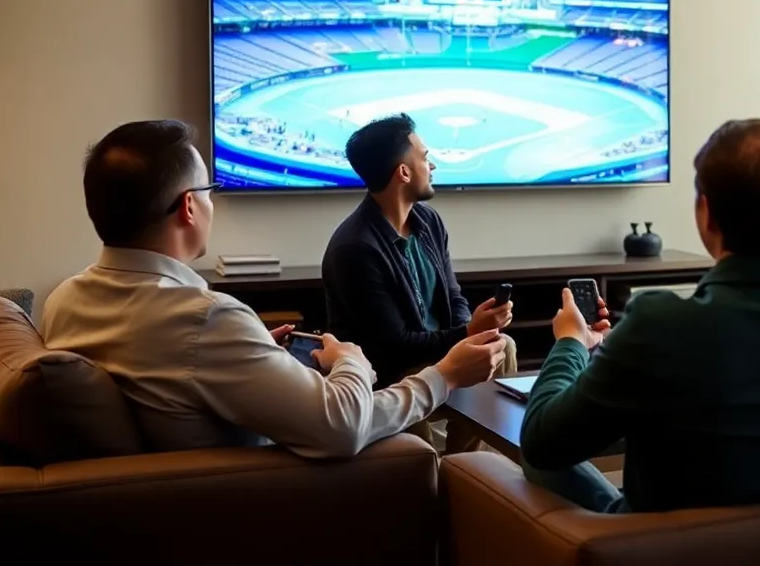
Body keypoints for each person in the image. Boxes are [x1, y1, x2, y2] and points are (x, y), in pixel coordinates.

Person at [42, 120, 506, 458]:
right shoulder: (207, 318)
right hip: (268, 494)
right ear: (188, 207)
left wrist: (255, 352)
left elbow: (179, 377)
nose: (212, 202)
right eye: (209, 189)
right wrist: (383, 367)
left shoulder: (64, 300)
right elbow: (342, 426)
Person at [518, 119, 760, 513]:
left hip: (669, 547)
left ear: (706, 213)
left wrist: (570, 342)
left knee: (538, 457)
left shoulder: (659, 326)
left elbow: (541, 442)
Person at [323, 113, 517, 390]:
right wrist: (469, 331)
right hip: (393, 371)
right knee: (481, 352)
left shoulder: (429, 221)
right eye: (425, 158)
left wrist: (473, 331)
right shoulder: (355, 249)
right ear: (403, 172)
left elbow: (453, 296)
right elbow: (395, 346)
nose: (432, 165)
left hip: (437, 353)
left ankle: (476, 432)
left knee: (501, 345)